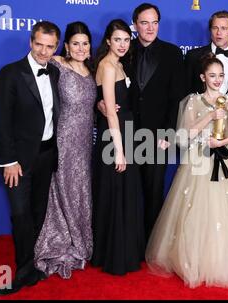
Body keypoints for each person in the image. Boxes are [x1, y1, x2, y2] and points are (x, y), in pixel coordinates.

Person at [145, 54, 228, 289]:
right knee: (196, 210)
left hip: (227, 159)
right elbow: (186, 133)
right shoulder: (192, 101)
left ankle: (225, 259)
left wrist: (221, 142)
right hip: (198, 160)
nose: (217, 80)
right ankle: (194, 259)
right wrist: (209, 116)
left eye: (221, 75)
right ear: (202, 77)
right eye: (212, 76)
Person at [0, 21, 61, 295]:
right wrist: (8, 161)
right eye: (39, 44)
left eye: (49, 46)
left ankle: (30, 266)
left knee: (37, 213)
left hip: (46, 155)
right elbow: (1, 120)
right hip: (17, 161)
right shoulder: (10, 73)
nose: (43, 51)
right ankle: (21, 273)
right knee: (21, 215)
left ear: (56, 47)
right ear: (31, 42)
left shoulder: (53, 73)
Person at [34, 21, 96, 279]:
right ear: (66, 47)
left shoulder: (92, 71)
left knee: (81, 187)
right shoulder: (58, 65)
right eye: (75, 44)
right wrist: (56, 54)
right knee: (61, 187)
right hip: (63, 141)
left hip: (84, 143)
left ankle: (79, 238)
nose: (80, 48)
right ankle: (60, 241)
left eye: (85, 43)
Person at [91, 19, 144, 275]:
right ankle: (114, 256)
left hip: (128, 133)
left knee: (124, 193)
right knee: (114, 192)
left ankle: (124, 250)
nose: (122, 44)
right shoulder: (107, 66)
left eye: (126, 39)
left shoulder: (119, 64)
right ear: (108, 41)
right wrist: (119, 150)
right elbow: (111, 112)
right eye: (117, 40)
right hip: (115, 137)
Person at [130, 3, 185, 241]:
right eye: (144, 22)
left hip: (158, 135)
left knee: (153, 191)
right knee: (128, 192)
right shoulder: (123, 49)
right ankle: (130, 240)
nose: (150, 28)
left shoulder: (172, 53)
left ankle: (152, 241)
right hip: (125, 133)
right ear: (135, 25)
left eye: (154, 22)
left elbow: (177, 97)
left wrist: (169, 132)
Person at [185, 10, 228, 104]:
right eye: (215, 28)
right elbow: (186, 92)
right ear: (210, 30)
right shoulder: (193, 56)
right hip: (200, 116)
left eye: (223, 28)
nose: (219, 33)